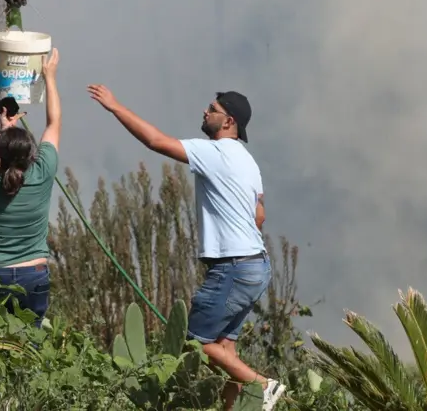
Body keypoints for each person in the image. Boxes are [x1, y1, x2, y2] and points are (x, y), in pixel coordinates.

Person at [87, 86, 285, 411]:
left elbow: (157, 141)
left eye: (212, 109)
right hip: (256, 267)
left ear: (228, 121)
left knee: (192, 343)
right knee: (224, 349)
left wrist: (115, 107)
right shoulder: (248, 162)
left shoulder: (216, 152)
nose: (205, 112)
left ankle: (263, 386)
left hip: (233, 267)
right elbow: (259, 213)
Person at [0, 49, 61, 326]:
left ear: (1, 151)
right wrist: (50, 77)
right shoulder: (43, 172)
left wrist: (3, 131)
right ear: (31, 154)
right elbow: (54, 122)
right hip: (33, 273)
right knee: (29, 343)